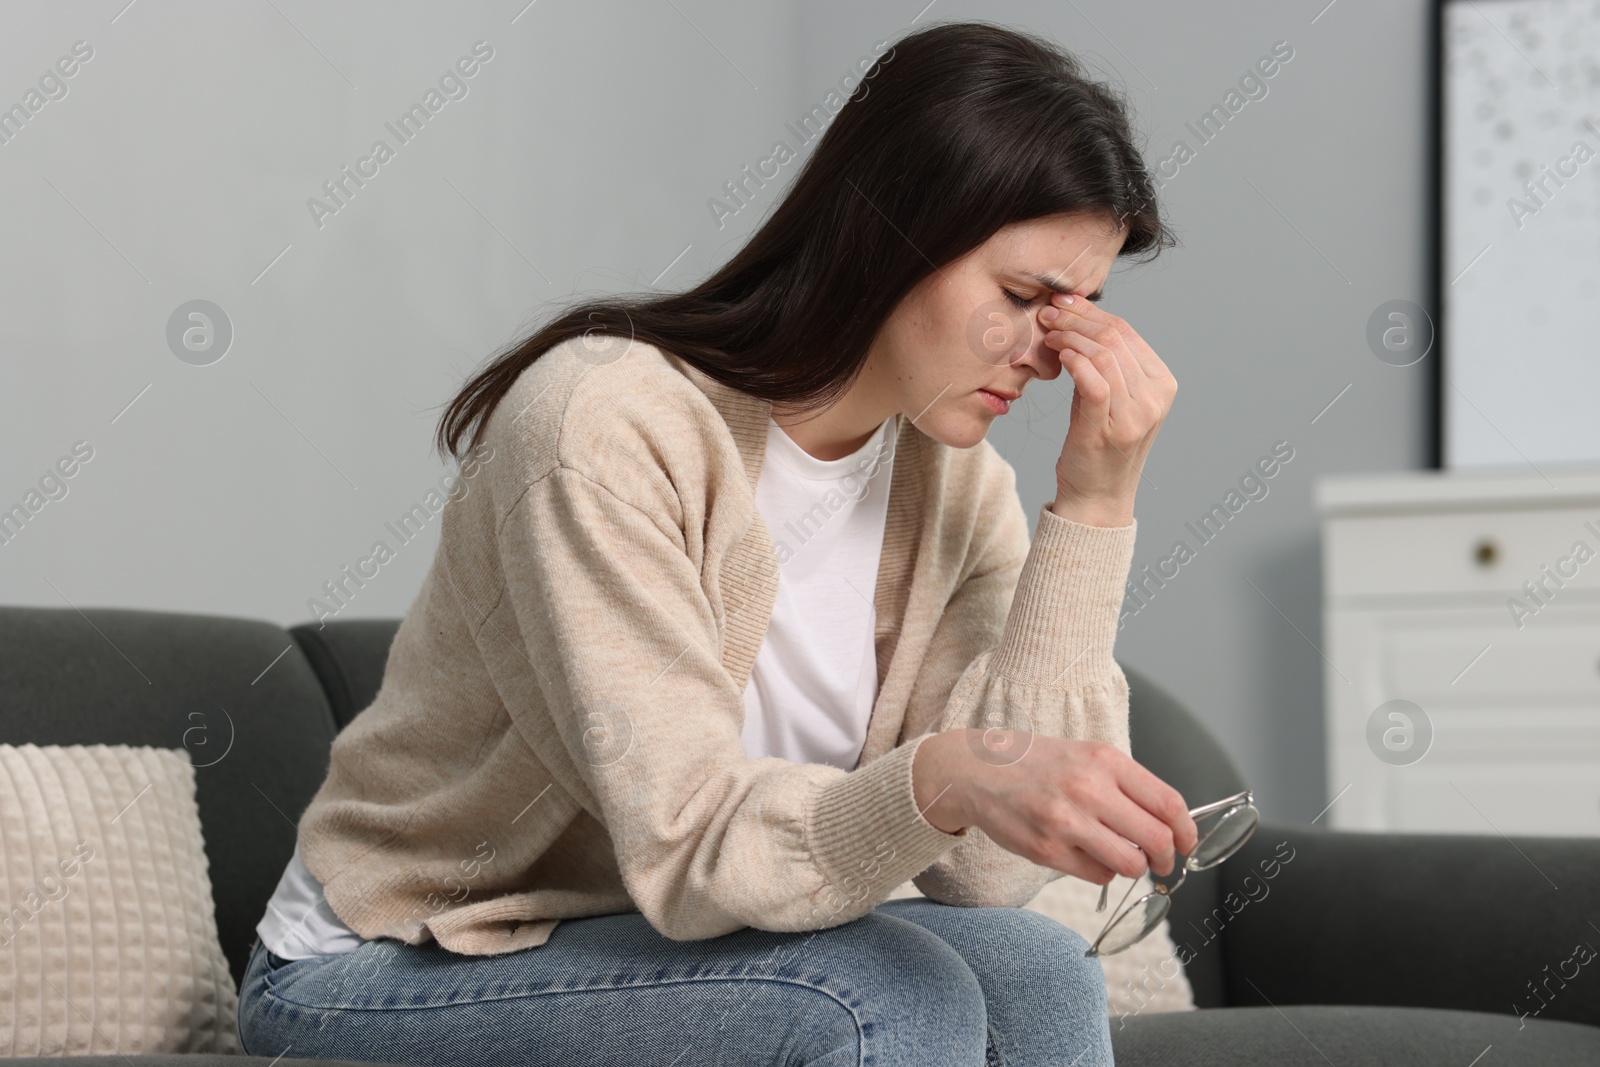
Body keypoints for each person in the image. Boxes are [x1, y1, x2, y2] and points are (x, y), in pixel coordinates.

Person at [238, 18, 1197, 1067]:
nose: (1048, 356)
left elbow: (985, 877)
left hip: (657, 946)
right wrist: (946, 774)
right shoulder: (603, 425)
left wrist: (1094, 506)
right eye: (1020, 299)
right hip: (390, 961)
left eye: (1079, 312)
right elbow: (689, 843)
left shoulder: (958, 488)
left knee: (1042, 967)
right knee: (877, 996)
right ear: (890, 236)